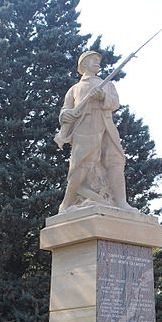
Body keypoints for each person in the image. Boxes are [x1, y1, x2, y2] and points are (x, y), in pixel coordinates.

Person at [55, 50, 135, 213]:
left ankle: (121, 202)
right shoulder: (75, 89)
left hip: (106, 126)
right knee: (81, 165)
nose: (98, 62)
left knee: (115, 161)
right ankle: (66, 204)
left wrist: (102, 97)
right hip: (85, 128)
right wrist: (66, 114)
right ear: (84, 64)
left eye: (98, 60)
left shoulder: (108, 84)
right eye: (93, 60)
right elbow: (65, 110)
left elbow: (114, 104)